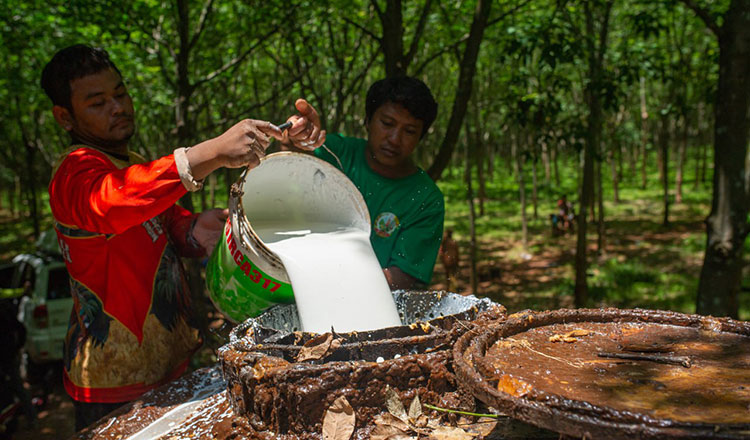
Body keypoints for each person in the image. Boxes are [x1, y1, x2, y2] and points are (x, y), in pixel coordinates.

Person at [41, 44, 323, 431]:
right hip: (112, 386)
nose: (117, 107)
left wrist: (195, 230)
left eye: (120, 93)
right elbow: (114, 203)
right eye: (97, 102)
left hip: (173, 362)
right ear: (65, 117)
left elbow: (164, 224)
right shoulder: (74, 174)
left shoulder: (133, 163)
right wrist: (210, 154)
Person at [282, 77, 444, 290]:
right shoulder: (336, 153)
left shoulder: (425, 198)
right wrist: (295, 134)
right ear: (367, 120)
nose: (395, 139)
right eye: (387, 124)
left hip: (371, 310)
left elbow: (405, 278)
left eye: (410, 131)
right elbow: (285, 164)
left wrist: (337, 279)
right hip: (297, 288)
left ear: (420, 137)